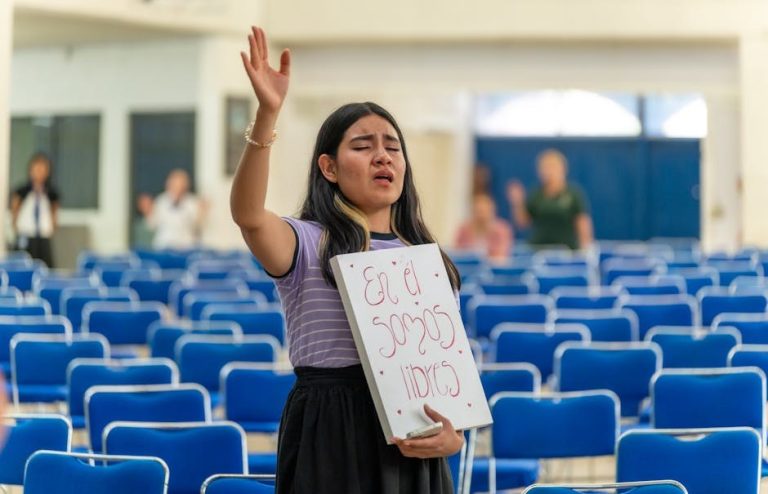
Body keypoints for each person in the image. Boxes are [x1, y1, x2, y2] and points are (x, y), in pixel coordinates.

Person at [230, 27, 463, 494]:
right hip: (328, 426)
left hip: (409, 436)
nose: (383, 156)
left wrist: (451, 438)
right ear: (329, 168)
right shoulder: (306, 242)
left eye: (392, 147)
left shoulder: (428, 259)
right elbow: (249, 215)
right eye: (363, 146)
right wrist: (267, 115)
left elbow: (447, 379)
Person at [507, 149, 593, 250]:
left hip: (567, 250)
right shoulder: (536, 194)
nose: (548, 172)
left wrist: (585, 249)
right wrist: (518, 202)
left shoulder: (573, 194)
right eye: (544, 168)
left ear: (563, 169)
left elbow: (583, 225)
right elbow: (523, 223)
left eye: (552, 167)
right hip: (538, 249)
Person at [10, 152, 60, 267]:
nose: (39, 172)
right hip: (26, 236)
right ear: (30, 170)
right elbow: (14, 212)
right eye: (37, 168)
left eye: (43, 169)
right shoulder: (21, 191)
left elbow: (54, 214)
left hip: (43, 237)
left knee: (46, 267)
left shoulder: (51, 194)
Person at [137, 169, 207, 249]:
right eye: (174, 183)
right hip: (163, 246)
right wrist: (147, 211)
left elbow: (197, 227)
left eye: (180, 184)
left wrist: (202, 213)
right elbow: (152, 225)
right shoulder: (161, 200)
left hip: (186, 247)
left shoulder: (192, 202)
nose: (177, 187)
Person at [454, 193, 513, 261]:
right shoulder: (464, 230)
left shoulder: (501, 231)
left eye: (483, 212)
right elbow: (458, 254)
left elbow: (501, 256)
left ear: (491, 211)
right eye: (477, 211)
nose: (480, 216)